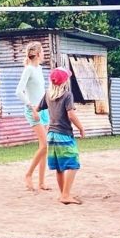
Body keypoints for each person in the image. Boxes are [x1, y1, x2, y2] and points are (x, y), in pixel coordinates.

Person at [45, 67, 86, 205]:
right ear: (64, 81)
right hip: (63, 135)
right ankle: (66, 195)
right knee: (73, 164)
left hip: (51, 135)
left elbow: (37, 108)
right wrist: (81, 128)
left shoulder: (47, 95)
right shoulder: (67, 95)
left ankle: (63, 193)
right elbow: (71, 115)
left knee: (59, 167)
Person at [16, 41, 50, 191]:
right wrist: (32, 107)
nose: (44, 54)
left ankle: (42, 183)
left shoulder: (40, 69)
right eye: (42, 51)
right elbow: (18, 91)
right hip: (33, 111)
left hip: (44, 110)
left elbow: (41, 92)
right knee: (44, 145)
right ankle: (28, 174)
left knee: (44, 147)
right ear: (37, 54)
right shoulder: (28, 69)